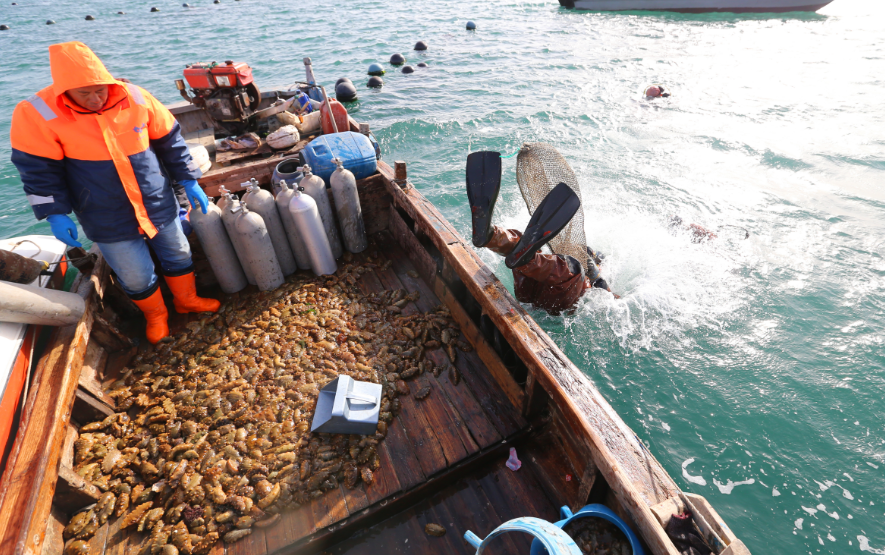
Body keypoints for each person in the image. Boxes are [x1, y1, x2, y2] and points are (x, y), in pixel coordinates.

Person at [10, 41, 218, 344]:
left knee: (179, 252)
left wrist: (189, 180)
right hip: (103, 211)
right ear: (64, 91)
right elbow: (37, 170)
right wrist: (54, 212)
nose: (95, 99)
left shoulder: (135, 95)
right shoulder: (36, 113)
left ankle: (187, 299)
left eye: (100, 90)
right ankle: (156, 315)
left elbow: (170, 141)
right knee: (135, 274)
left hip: (156, 200)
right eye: (85, 93)